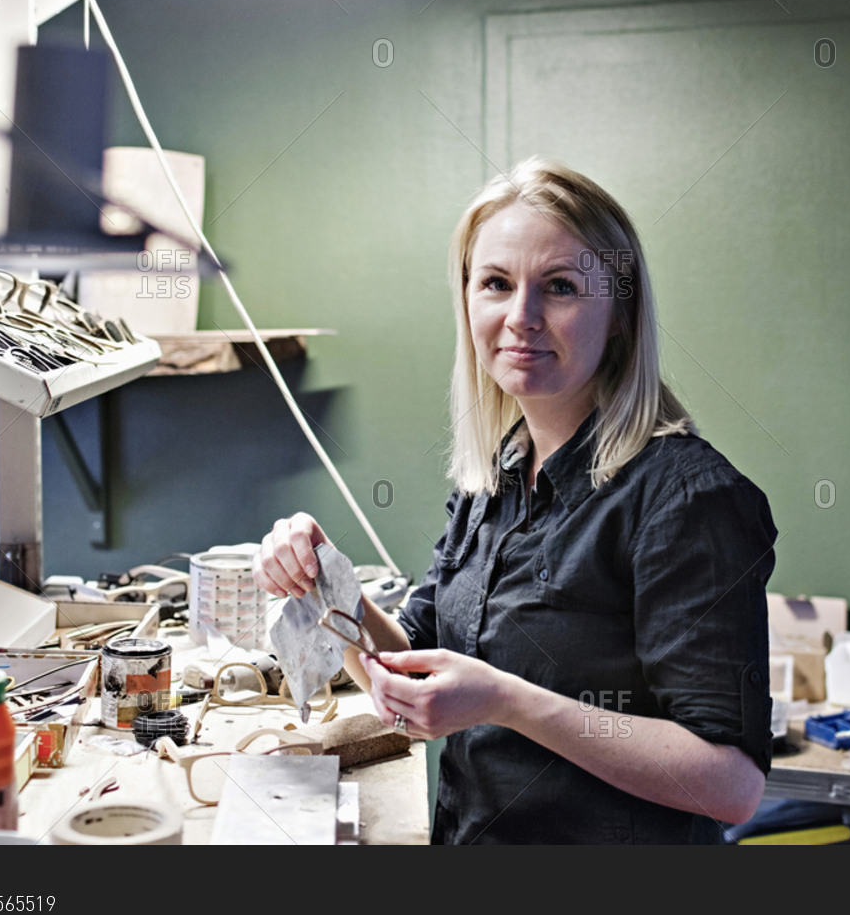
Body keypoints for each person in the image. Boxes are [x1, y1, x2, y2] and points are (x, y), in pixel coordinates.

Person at [255, 157, 777, 843]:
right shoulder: (501, 472)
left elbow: (730, 785)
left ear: (619, 313)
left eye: (559, 287)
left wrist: (508, 701)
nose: (520, 317)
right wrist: (327, 585)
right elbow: (413, 658)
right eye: (496, 284)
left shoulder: (687, 499)